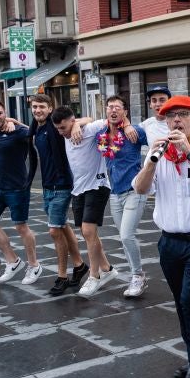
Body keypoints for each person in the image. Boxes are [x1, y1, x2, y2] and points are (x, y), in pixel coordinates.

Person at [132, 95, 190, 378]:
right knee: (181, 304)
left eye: (183, 115)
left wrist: (189, 153)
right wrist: (151, 161)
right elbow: (140, 189)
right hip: (169, 242)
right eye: (170, 117)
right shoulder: (160, 152)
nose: (176, 121)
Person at [51, 106, 118, 296]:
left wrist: (81, 123)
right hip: (78, 188)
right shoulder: (66, 133)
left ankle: (94, 276)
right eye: (57, 129)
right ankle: (107, 269)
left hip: (97, 185)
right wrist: (75, 124)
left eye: (63, 128)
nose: (60, 132)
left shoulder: (89, 129)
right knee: (87, 232)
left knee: (89, 230)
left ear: (72, 121)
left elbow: (107, 120)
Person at [28, 94, 89, 296]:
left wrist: (79, 124)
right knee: (61, 226)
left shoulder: (56, 126)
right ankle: (79, 265)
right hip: (47, 186)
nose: (37, 110)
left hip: (62, 185)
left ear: (50, 108)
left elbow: (86, 120)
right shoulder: (36, 127)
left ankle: (62, 276)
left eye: (42, 107)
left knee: (54, 231)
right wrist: (11, 121)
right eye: (34, 107)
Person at [0, 99, 42, 284]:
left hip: (17, 187)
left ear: (5, 112)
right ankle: (12, 261)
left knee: (21, 227)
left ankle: (34, 265)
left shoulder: (18, 132)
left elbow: (37, 132)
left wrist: (16, 122)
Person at [92, 95, 149, 298]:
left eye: (117, 107)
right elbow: (80, 122)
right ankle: (137, 275)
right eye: (109, 107)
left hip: (134, 190)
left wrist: (129, 127)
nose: (113, 110)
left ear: (125, 111)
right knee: (124, 239)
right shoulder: (102, 134)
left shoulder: (135, 132)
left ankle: (138, 276)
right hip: (114, 193)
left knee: (126, 235)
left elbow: (156, 143)